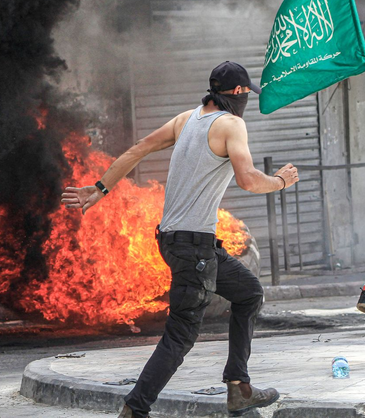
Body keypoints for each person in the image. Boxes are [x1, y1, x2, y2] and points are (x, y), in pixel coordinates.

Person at [62, 61, 298, 417]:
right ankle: (135, 409)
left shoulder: (185, 119)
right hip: (193, 249)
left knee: (249, 293)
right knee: (181, 333)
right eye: (247, 93)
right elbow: (248, 179)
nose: (248, 99)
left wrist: (100, 188)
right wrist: (280, 181)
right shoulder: (232, 124)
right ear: (237, 93)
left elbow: (138, 148)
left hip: (177, 243)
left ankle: (239, 388)